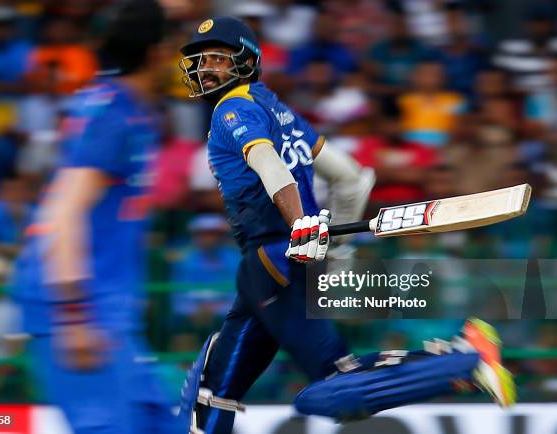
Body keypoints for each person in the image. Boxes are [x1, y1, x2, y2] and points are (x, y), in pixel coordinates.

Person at [177, 16, 515, 434]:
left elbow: (270, 167)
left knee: (334, 388)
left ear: (246, 61)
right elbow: (352, 178)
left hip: (272, 264)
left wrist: (303, 225)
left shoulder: (233, 109)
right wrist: (334, 250)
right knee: (210, 395)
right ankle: (459, 358)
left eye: (216, 58)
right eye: (199, 59)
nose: (205, 68)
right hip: (279, 265)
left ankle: (463, 360)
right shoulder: (275, 107)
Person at [9, 2, 183, 433]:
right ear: (157, 53)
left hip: (108, 313)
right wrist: (74, 316)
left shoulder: (118, 105)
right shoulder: (115, 116)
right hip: (82, 312)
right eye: (178, 46)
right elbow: (62, 212)